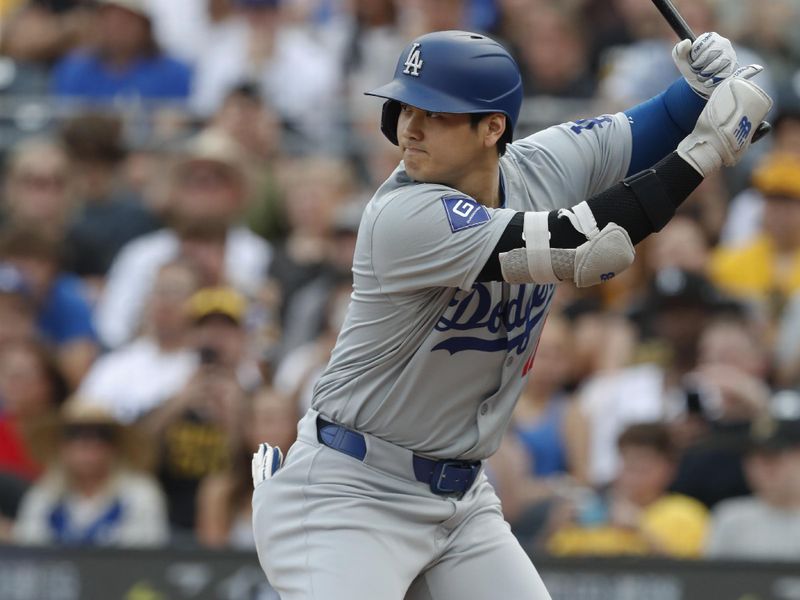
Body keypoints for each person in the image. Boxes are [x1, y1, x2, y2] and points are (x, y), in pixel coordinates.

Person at [251, 30, 771, 599]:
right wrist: (706, 152)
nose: (409, 127)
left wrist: (696, 89)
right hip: (348, 494)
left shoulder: (540, 166)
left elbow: (646, 127)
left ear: (492, 127)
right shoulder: (401, 216)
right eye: (403, 107)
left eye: (435, 112)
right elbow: (588, 249)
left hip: (460, 498)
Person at [704, 395, 800, 560]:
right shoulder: (730, 518)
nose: (761, 468)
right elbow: (713, 582)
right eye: (753, 459)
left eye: (772, 458)